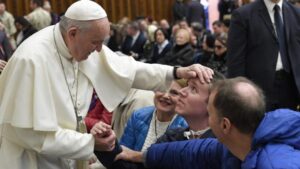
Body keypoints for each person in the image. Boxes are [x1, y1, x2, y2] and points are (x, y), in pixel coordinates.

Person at [0, 0, 213, 169]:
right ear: (73, 33)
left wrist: (177, 71)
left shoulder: (83, 43)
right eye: (96, 42)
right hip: (34, 161)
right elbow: (29, 135)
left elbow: (128, 69)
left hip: (68, 155)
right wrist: (90, 144)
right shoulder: (30, 60)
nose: (100, 50)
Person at [113, 77, 300, 169]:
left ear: (225, 125)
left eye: (210, 112)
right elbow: (190, 152)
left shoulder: (275, 164)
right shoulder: (238, 143)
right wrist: (139, 156)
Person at [226, 0, 300, 111]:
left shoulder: (296, 13)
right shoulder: (243, 15)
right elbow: (235, 62)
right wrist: (238, 95)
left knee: (289, 126)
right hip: (258, 90)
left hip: (291, 87)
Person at [120, 80, 188, 152]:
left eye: (174, 93)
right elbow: (123, 152)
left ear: (183, 98)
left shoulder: (186, 128)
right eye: (162, 89)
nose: (165, 96)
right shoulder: (138, 116)